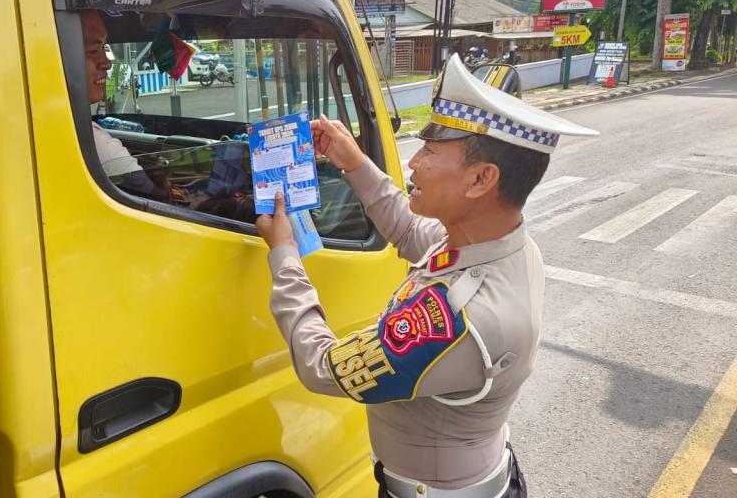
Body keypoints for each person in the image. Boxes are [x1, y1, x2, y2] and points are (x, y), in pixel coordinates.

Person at [255, 54, 598, 498]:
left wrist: (284, 254)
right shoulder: (492, 241)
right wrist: (354, 161)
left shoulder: (458, 320)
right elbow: (412, 229)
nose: (413, 163)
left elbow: (326, 367)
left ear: (480, 179)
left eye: (431, 152)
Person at [80, 10, 163, 198]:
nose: (107, 63)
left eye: (104, 48)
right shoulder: (90, 141)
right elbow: (158, 199)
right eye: (93, 51)